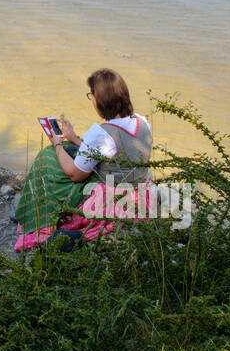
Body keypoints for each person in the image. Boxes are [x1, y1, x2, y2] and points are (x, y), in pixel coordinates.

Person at [23, 68, 153, 252]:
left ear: (100, 100)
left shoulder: (101, 133)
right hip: (138, 189)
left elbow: (75, 175)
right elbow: (112, 151)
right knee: (70, 150)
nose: (91, 99)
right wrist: (74, 138)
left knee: (48, 158)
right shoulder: (142, 121)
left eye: (91, 95)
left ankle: (35, 214)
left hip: (111, 196)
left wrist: (57, 144)